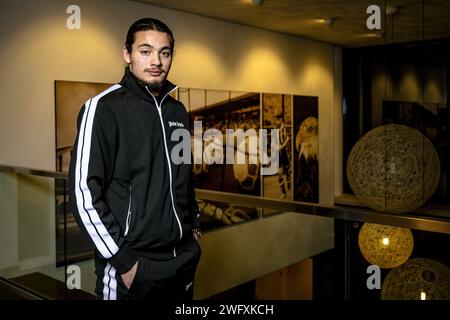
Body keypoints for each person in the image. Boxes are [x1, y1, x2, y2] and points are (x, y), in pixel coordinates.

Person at [68, 18, 202, 300]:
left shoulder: (177, 111)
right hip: (133, 267)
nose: (156, 61)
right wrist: (124, 261)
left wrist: (194, 230)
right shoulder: (103, 109)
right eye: (145, 51)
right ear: (127, 54)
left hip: (182, 260)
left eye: (164, 53)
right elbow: (83, 194)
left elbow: (183, 176)